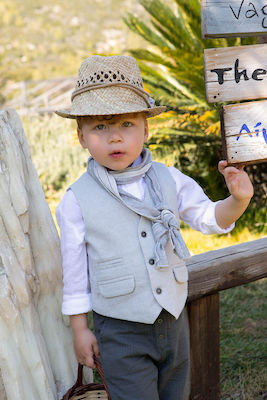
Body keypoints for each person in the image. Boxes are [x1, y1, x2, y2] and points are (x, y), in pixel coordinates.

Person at [55, 55, 254, 400]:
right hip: (119, 328)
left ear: (146, 129)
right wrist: (79, 329)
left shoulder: (168, 178)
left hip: (173, 321)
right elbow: (74, 272)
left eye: (127, 125)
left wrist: (236, 201)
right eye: (100, 127)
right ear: (81, 137)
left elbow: (208, 219)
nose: (115, 138)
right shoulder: (76, 200)